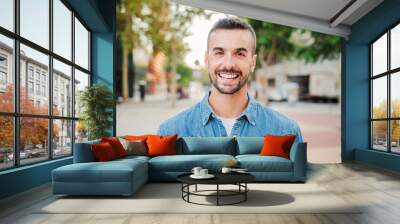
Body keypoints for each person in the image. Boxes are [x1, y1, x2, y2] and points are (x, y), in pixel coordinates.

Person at [157, 18, 302, 142]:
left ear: (252, 63)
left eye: (240, 53)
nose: (228, 64)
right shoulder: (171, 132)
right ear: (207, 60)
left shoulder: (286, 132)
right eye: (219, 53)